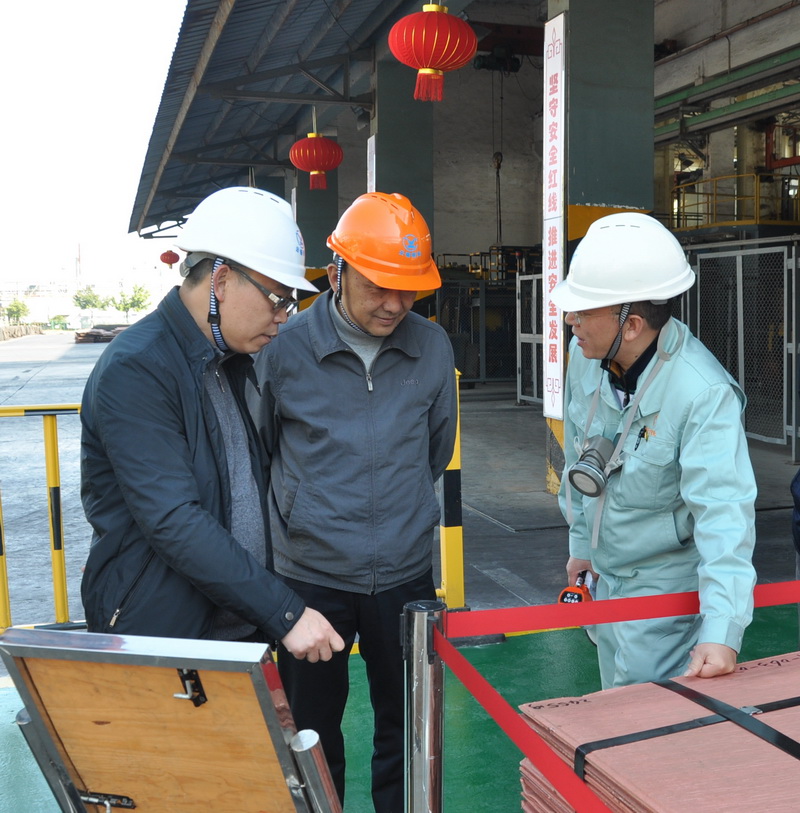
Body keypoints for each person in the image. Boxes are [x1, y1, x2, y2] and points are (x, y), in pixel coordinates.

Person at [248, 191, 457, 812]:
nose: (394, 304)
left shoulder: (431, 347)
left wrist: (397, 511)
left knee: (409, 727)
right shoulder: (282, 347)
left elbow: (435, 449)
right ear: (336, 272)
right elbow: (261, 450)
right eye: (378, 286)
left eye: (408, 290)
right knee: (311, 733)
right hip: (311, 577)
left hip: (404, 573)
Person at [80, 186, 344, 665]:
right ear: (221, 280)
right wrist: (285, 613)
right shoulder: (138, 368)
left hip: (233, 629)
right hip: (162, 635)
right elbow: (173, 519)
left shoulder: (225, 363)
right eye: (277, 300)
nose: (282, 319)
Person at [551, 211, 757, 689]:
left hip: (665, 589)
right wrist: (581, 548)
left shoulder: (702, 393)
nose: (571, 321)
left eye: (584, 310)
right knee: (614, 699)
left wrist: (722, 630)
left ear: (631, 325)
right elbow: (579, 463)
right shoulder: (586, 359)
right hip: (605, 577)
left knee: (644, 716)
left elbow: (724, 514)